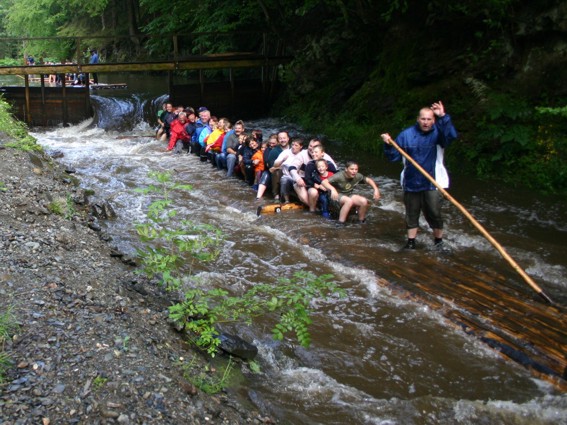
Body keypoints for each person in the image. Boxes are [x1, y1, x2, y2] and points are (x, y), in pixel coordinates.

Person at [381, 101, 457, 249]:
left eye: (429, 119)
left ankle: (438, 241)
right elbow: (394, 157)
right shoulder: (406, 135)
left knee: (434, 213)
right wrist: (388, 144)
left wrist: (443, 116)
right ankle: (411, 243)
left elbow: (451, 136)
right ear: (418, 119)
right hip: (411, 180)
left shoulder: (438, 134)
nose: (426, 122)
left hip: (432, 182)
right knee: (411, 212)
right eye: (423, 119)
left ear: (433, 120)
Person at [321, 160, 380, 226]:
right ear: (346, 169)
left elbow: (368, 180)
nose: (354, 171)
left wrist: (376, 189)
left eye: (356, 169)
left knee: (363, 201)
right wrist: (332, 189)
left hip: (348, 194)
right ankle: (340, 223)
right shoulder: (339, 176)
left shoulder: (357, 176)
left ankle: (361, 221)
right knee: (348, 201)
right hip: (336, 196)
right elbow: (324, 182)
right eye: (352, 169)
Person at [304, 145, 337, 215]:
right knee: (313, 192)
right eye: (312, 152)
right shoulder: (310, 165)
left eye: (316, 152)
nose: (313, 154)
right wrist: (316, 185)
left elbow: (335, 177)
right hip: (314, 186)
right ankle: (312, 210)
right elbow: (307, 179)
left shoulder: (329, 164)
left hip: (327, 187)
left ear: (322, 153)